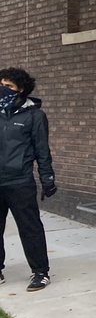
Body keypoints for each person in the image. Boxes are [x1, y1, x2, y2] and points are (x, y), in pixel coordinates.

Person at [0, 68, 56, 291]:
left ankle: (40, 272)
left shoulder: (34, 115)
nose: (3, 89)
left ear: (21, 89)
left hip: (20, 181)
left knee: (30, 227)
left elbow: (42, 150)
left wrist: (47, 178)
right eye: (1, 84)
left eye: (9, 86)